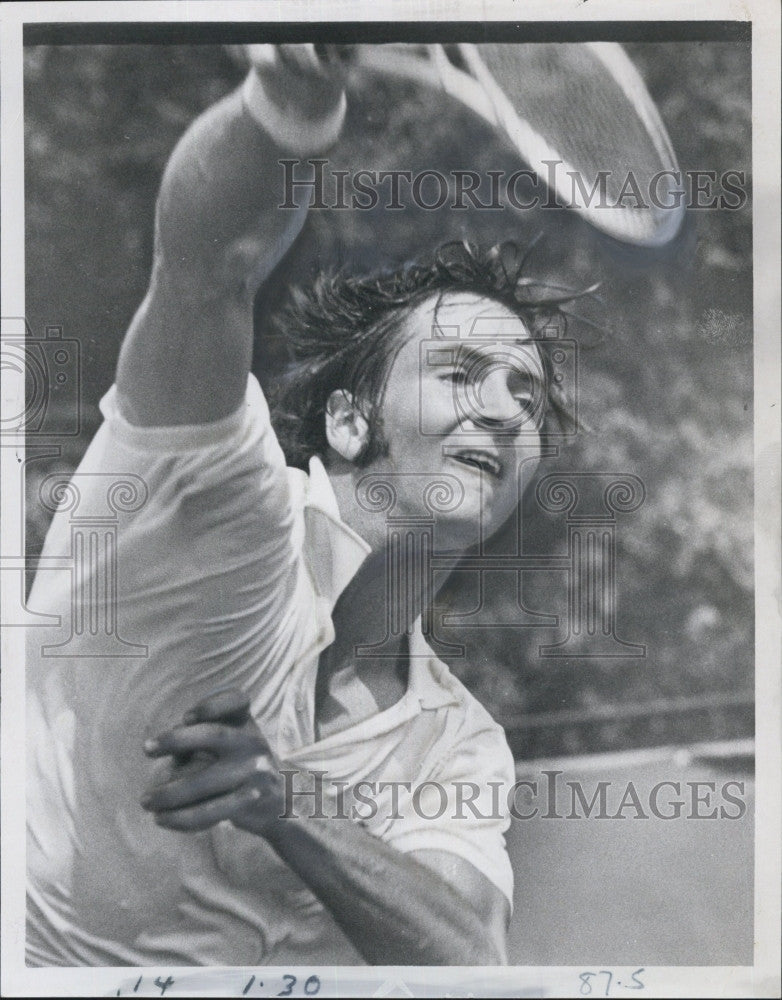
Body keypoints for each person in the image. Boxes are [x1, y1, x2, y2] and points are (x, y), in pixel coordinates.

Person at [26, 45, 574, 967]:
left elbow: (472, 962)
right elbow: (207, 266)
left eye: (528, 395)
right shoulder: (219, 514)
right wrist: (289, 102)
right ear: (350, 424)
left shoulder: (459, 744)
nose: (506, 409)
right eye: (461, 373)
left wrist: (289, 804)